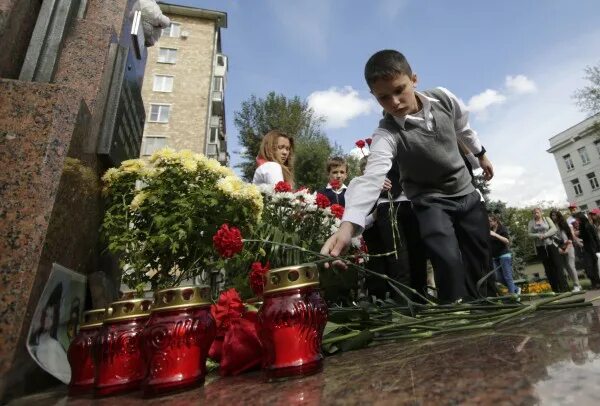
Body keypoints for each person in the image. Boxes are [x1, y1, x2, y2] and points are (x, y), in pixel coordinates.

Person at [321, 50, 494, 303]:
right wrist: (347, 228)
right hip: (430, 200)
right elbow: (372, 178)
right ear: (373, 96)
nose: (395, 102)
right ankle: (455, 310)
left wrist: (481, 154)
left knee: (480, 257)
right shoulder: (386, 133)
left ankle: (488, 305)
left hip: (466, 192)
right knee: (446, 256)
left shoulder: (445, 98)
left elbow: (463, 129)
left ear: (414, 79)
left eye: (399, 90)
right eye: (383, 98)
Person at [527, 208, 569, 293]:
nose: (536, 214)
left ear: (541, 213)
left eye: (537, 212)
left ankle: (564, 288)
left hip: (551, 245)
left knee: (558, 266)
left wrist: (545, 235)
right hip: (540, 247)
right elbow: (529, 234)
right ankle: (555, 289)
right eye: (534, 213)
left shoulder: (547, 219)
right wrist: (538, 235)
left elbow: (554, 229)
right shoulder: (531, 222)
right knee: (548, 268)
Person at [549, 209, 582, 292]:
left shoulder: (563, 224)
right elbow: (553, 239)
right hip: (560, 248)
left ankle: (577, 285)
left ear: (558, 215)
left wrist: (567, 247)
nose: (553, 217)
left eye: (555, 215)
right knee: (567, 268)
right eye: (552, 215)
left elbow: (570, 236)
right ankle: (576, 285)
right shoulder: (551, 226)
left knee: (571, 266)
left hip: (569, 246)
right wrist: (559, 248)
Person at [489, 214, 519, 295]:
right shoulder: (489, 230)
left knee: (507, 276)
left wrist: (495, 235)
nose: (489, 223)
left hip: (504, 255)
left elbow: (507, 241)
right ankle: (516, 289)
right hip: (495, 257)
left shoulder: (502, 229)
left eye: (490, 221)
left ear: (495, 221)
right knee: (498, 278)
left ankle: (513, 295)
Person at [573, 212, 600, 289]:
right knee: (589, 267)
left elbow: (596, 238)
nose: (577, 221)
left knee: (594, 266)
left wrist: (598, 248)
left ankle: (596, 283)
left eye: (577, 219)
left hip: (593, 248)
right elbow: (583, 236)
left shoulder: (589, 226)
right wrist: (578, 234)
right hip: (587, 249)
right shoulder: (582, 226)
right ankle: (594, 283)